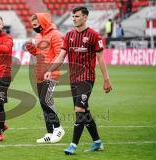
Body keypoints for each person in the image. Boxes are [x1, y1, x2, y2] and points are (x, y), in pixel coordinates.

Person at [44, 7, 112, 155]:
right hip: (73, 79)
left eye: (77, 16)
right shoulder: (69, 35)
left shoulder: (94, 36)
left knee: (79, 110)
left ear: (85, 17)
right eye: (73, 16)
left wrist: (106, 79)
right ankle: (97, 142)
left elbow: (100, 59)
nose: (74, 18)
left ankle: (73, 145)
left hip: (86, 78)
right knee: (85, 111)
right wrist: (50, 69)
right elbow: (61, 56)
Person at [25, 13, 65, 143]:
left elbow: (60, 55)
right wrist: (31, 49)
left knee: (45, 101)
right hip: (40, 74)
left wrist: (50, 70)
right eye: (33, 25)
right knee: (43, 103)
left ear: (42, 22)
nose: (34, 28)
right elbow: (38, 54)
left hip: (51, 74)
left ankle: (58, 128)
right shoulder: (38, 36)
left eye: (36, 25)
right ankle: (49, 132)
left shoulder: (55, 35)